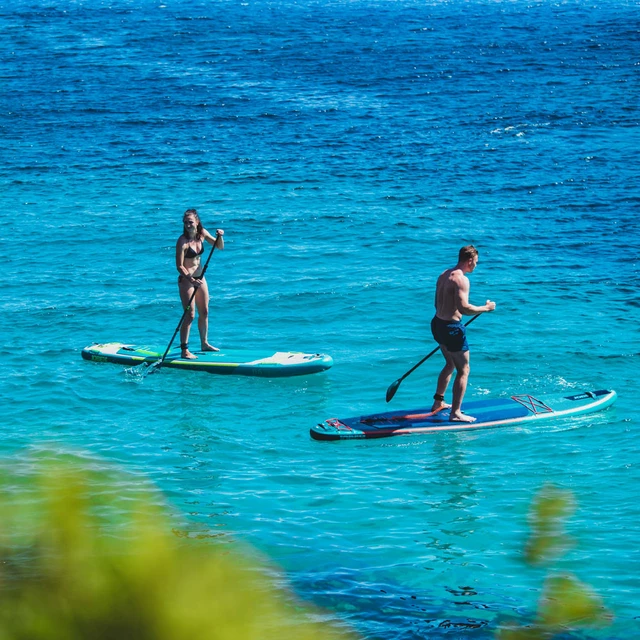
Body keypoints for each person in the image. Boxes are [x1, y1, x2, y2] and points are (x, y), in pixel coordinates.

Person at [430, 245, 496, 422]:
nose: (476, 265)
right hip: (452, 329)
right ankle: (456, 413)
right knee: (464, 370)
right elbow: (464, 308)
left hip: (437, 324)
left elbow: (437, 304)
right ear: (469, 260)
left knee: (449, 363)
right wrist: (486, 308)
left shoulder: (444, 274)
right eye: (476, 262)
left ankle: (438, 403)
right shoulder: (461, 280)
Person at [176, 209, 224, 359]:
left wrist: (220, 236)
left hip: (201, 278)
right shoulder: (182, 241)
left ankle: (204, 343)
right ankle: (184, 350)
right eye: (185, 222)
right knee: (189, 315)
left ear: (197, 222)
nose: (188, 225)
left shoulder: (202, 233)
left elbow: (219, 246)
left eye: (190, 222)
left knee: (205, 312)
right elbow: (179, 266)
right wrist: (190, 278)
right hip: (186, 281)